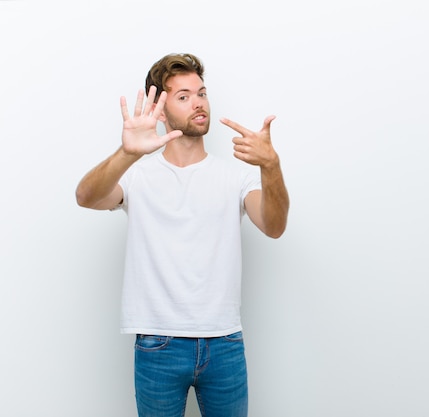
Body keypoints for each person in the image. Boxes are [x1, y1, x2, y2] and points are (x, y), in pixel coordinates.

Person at [75, 52, 289, 417]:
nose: (198, 103)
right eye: (184, 96)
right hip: (158, 342)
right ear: (161, 107)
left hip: (225, 343)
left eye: (201, 93)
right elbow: (86, 197)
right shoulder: (137, 175)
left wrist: (271, 166)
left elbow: (273, 226)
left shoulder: (236, 176)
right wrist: (126, 154)